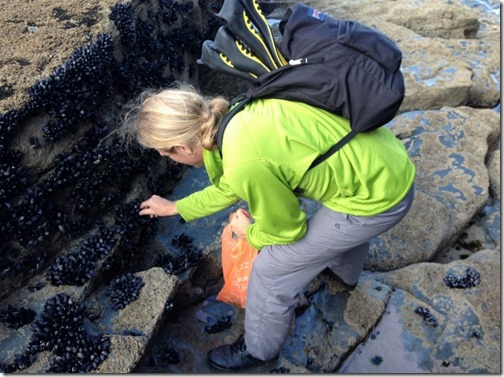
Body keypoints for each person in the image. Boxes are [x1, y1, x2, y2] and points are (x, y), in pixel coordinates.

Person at [120, 82, 416, 372]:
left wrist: (248, 232)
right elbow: (230, 185)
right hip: (382, 163)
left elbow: (286, 231)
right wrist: (176, 207)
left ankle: (258, 350)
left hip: (378, 200)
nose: (166, 158)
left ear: (183, 148)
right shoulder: (236, 113)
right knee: (331, 222)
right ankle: (342, 273)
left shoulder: (244, 163)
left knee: (272, 269)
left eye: (166, 153)